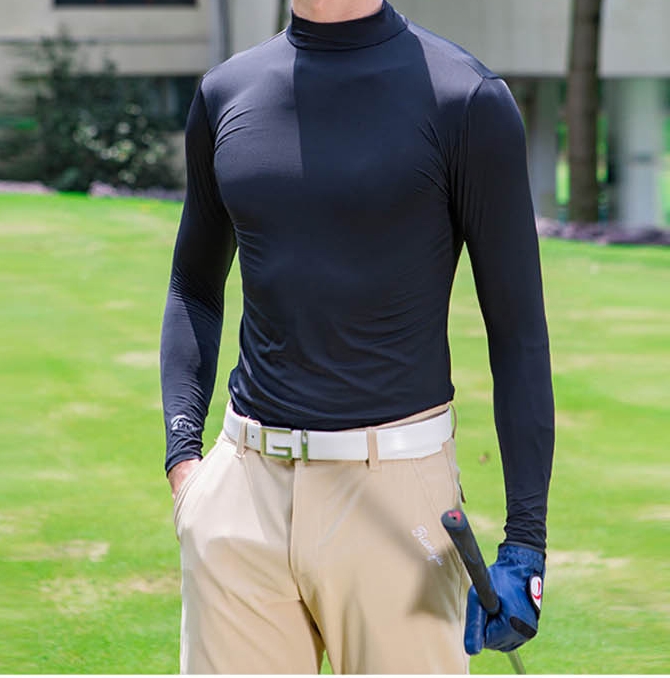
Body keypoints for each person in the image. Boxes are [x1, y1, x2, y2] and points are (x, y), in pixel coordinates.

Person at [160, 0, 554, 673]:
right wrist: (185, 463)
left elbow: (517, 330)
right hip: (240, 493)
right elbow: (193, 285)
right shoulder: (226, 91)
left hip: (398, 499)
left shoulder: (466, 99)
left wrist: (525, 543)